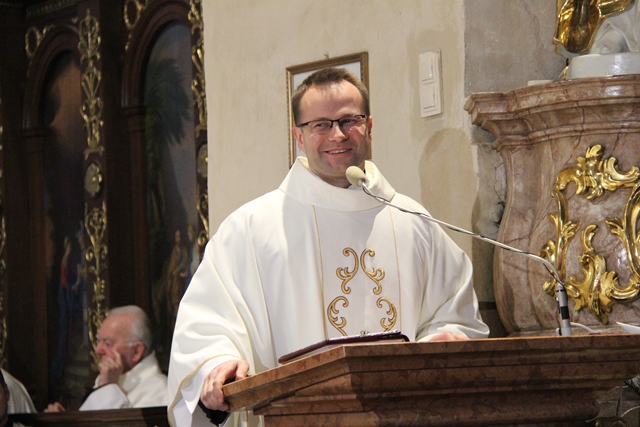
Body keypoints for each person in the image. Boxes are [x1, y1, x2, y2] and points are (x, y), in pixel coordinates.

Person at [167, 67, 489, 426]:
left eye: (349, 120)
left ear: (369, 127)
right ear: (299, 136)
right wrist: (217, 363)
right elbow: (207, 323)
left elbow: (455, 315)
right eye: (320, 124)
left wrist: (440, 341)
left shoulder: (414, 222)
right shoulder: (252, 229)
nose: (337, 134)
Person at [45, 305, 167, 412]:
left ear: (136, 351)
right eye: (98, 341)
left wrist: (107, 388)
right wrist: (64, 421)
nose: (98, 350)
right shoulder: (111, 379)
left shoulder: (159, 391)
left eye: (107, 343)